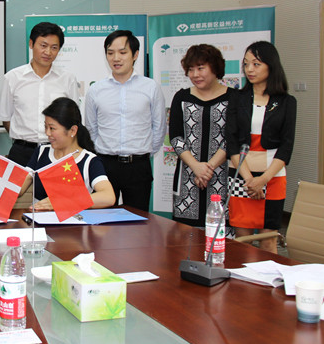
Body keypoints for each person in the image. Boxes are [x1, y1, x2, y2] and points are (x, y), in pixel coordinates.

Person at [226, 41, 296, 254]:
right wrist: (250, 180)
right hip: (241, 175)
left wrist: (263, 180)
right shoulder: (236, 98)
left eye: (256, 64)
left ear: (271, 66)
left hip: (272, 177)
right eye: (246, 64)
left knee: (268, 240)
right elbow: (231, 142)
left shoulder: (286, 102)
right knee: (242, 239)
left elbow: (287, 145)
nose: (250, 69)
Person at [85, 30, 166, 211]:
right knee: (102, 220)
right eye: (110, 53)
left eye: (122, 52)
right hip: (105, 164)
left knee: (138, 220)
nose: (116, 58)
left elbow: (159, 127)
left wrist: (142, 152)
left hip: (138, 166)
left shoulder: (151, 87)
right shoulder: (96, 90)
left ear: (135, 55)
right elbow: (91, 128)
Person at [0, 22, 79, 165]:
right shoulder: (12, 78)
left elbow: (73, 119)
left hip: (57, 151)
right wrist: (25, 139)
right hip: (22, 152)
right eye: (43, 45)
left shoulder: (68, 79)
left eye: (54, 47)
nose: (48, 52)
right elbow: (6, 118)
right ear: (31, 44)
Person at [170, 44, 231, 227]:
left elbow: (232, 138)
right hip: (188, 177)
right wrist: (196, 167)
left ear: (215, 68)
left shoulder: (234, 98)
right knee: (184, 236)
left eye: (201, 68)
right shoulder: (181, 97)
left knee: (220, 233)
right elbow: (176, 137)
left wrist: (207, 169)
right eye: (191, 69)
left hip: (222, 176)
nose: (195, 74)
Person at [20, 97, 115, 210]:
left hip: (73, 220)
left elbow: (108, 197)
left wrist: (63, 202)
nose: (47, 133)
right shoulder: (41, 152)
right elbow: (20, 186)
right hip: (38, 219)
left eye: (52, 128)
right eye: (46, 127)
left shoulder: (89, 161)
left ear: (73, 130)